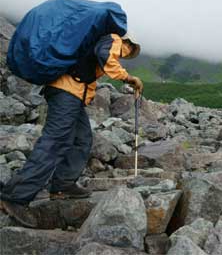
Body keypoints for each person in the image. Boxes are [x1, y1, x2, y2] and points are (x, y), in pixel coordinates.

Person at [0, 33, 143, 228]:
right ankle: (15, 197)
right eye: (128, 52)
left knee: (82, 139)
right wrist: (128, 78)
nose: (124, 56)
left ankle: (62, 185)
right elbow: (105, 55)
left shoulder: (99, 39)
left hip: (71, 95)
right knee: (54, 141)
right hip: (66, 92)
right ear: (128, 43)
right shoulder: (113, 39)